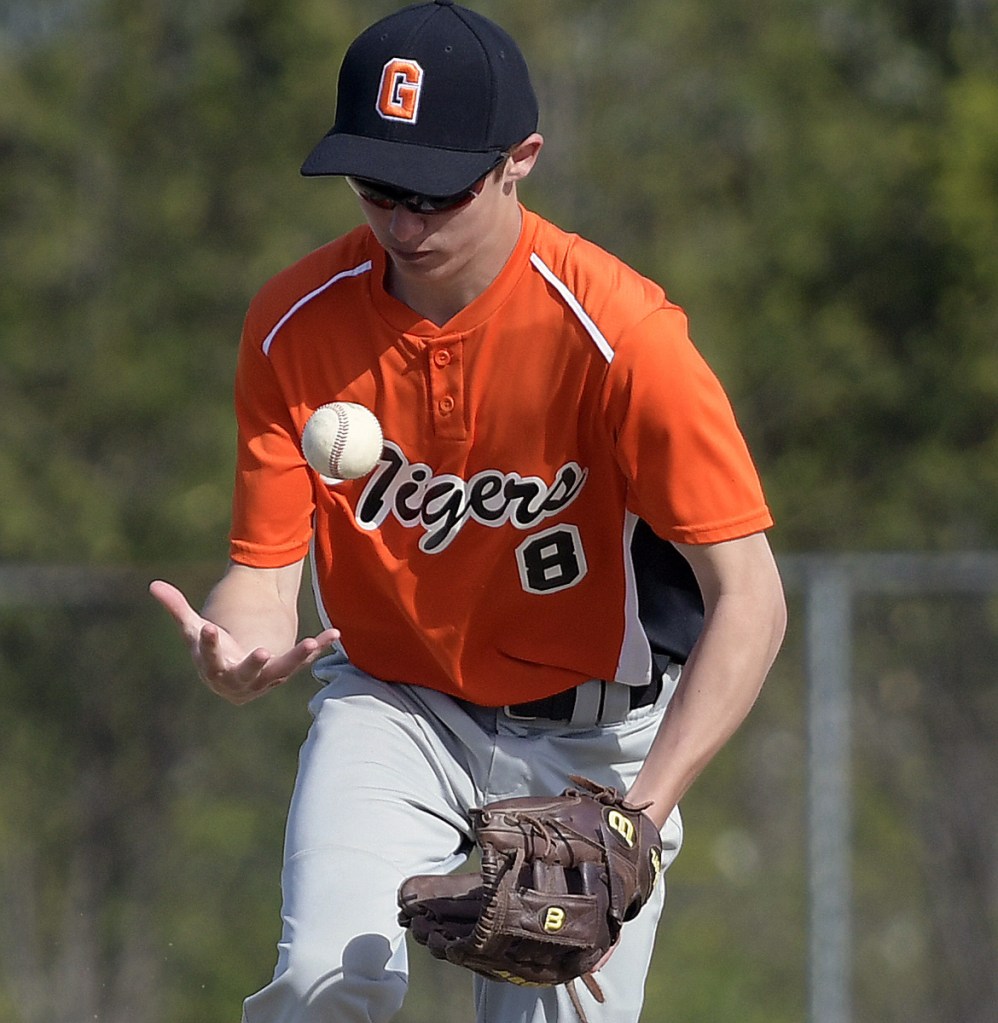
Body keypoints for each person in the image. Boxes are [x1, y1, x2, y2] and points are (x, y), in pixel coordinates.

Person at [150, 2, 787, 1021]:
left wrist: (630, 825)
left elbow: (749, 599)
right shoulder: (294, 325)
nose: (402, 223)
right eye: (376, 188)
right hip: (395, 707)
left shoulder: (622, 336)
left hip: (593, 750)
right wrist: (240, 641)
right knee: (320, 986)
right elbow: (265, 572)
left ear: (517, 160)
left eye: (435, 192)